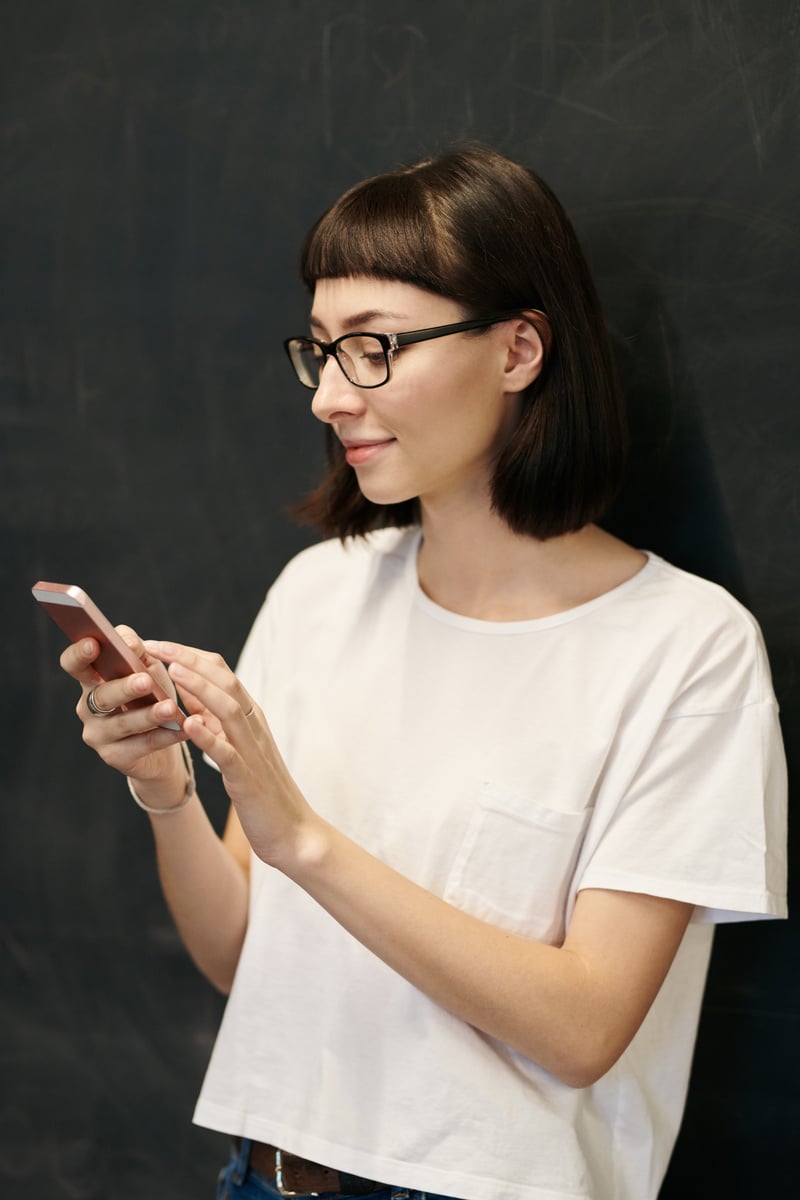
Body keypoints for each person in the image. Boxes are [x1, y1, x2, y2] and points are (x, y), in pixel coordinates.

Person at [61, 145, 787, 1200]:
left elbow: (583, 1028)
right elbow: (240, 959)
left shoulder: (682, 646)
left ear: (518, 350)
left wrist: (303, 840)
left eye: (376, 349)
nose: (328, 398)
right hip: (263, 1174)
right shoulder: (321, 593)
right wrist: (165, 789)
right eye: (319, 352)